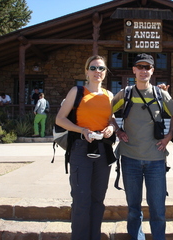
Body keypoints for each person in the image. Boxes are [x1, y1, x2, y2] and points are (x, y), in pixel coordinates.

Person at [112, 53, 173, 240]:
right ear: (134, 70)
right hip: (130, 158)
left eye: (147, 67)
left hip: (156, 160)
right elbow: (106, 112)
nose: (143, 71)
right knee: (133, 208)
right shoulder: (125, 94)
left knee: (158, 208)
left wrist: (169, 137)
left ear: (152, 71)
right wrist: (117, 130)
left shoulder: (161, 94)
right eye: (140, 67)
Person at [55, 55, 116, 240]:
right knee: (82, 200)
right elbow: (60, 119)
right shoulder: (77, 91)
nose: (98, 72)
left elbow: (111, 119)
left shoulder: (109, 95)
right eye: (93, 68)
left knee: (98, 200)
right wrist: (82, 130)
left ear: (105, 73)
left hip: (103, 150)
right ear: (86, 72)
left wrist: (112, 127)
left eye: (101, 68)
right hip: (81, 147)